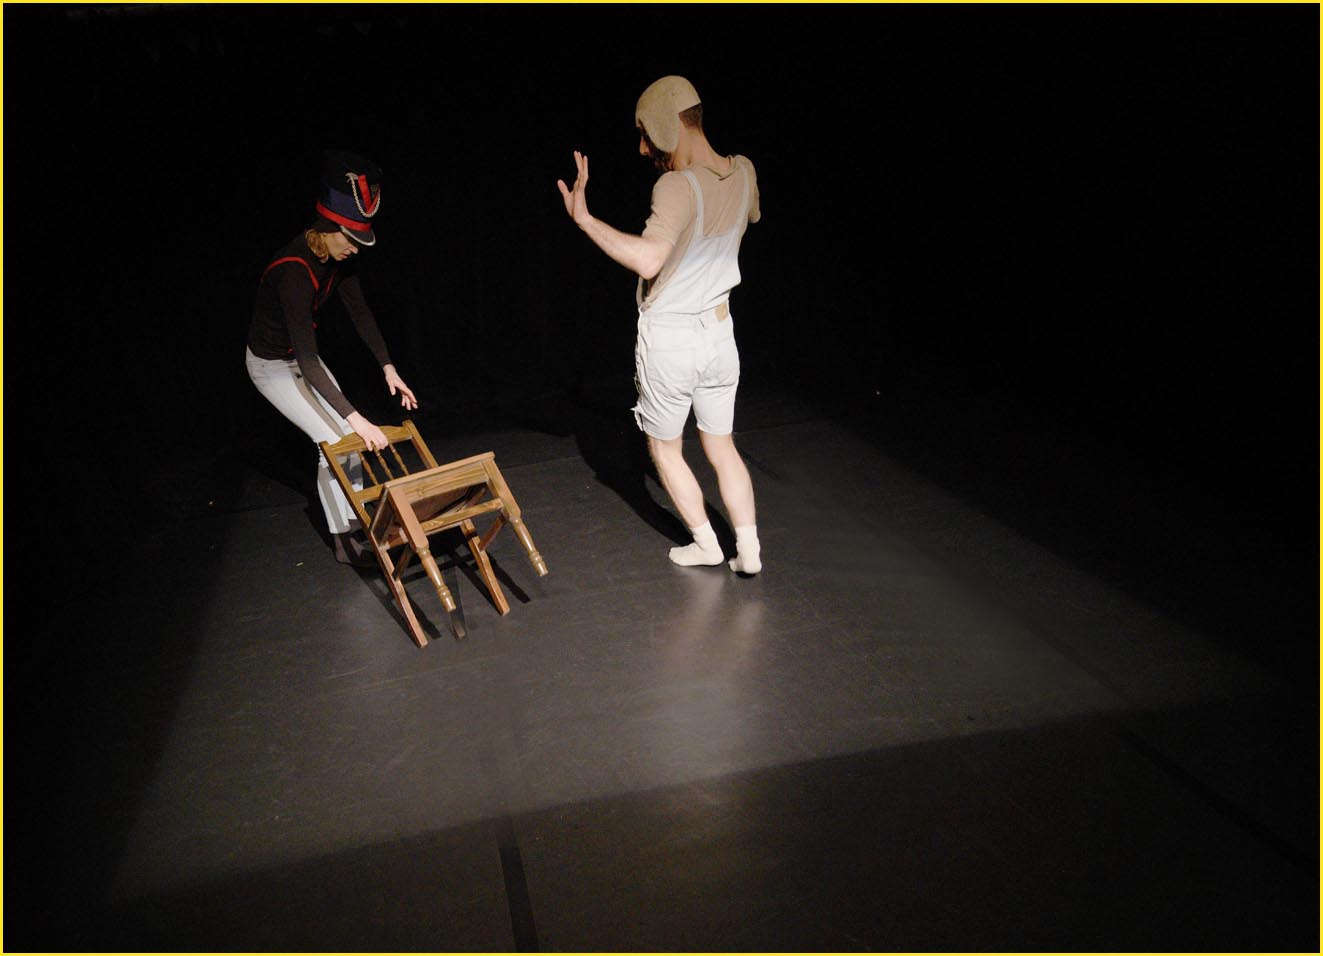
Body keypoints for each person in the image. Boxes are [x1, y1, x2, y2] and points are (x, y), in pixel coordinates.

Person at [557, 75, 762, 574]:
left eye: (646, 135)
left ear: (668, 126)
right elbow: (750, 216)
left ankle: (708, 545)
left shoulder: (675, 186)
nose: (643, 148)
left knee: (665, 449)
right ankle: (749, 550)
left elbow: (649, 260)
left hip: (672, 340)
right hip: (720, 334)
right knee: (722, 446)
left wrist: (585, 221)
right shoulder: (744, 171)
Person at [246, 149, 418, 566]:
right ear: (328, 227)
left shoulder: (338, 261)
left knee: (347, 439)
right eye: (351, 239)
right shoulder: (294, 271)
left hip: (302, 359)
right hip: (272, 367)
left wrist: (389, 368)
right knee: (335, 441)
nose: (356, 249)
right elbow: (307, 361)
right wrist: (358, 418)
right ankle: (344, 540)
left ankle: (356, 522)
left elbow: (360, 313)